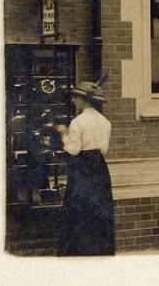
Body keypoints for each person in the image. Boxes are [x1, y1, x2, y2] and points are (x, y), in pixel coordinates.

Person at [54, 81, 115, 255]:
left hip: (82, 167)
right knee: (99, 207)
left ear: (85, 99)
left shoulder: (77, 122)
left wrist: (64, 133)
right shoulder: (105, 121)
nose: (73, 100)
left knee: (79, 207)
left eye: (76, 97)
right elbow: (104, 149)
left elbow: (73, 150)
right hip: (99, 167)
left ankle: (79, 252)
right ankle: (100, 251)